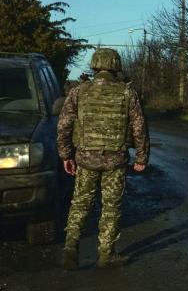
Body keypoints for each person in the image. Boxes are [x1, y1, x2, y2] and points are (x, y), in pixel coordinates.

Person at [57, 48, 150, 270]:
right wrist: (141, 157)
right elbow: (139, 127)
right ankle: (106, 255)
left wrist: (65, 154)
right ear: (116, 66)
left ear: (94, 66)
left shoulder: (78, 91)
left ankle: (70, 250)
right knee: (110, 207)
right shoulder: (127, 93)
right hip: (115, 160)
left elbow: (64, 125)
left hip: (85, 159)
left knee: (79, 204)